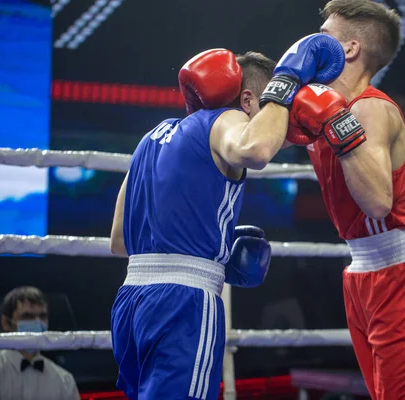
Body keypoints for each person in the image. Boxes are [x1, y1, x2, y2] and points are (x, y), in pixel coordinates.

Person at [108, 35, 345, 399]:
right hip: (183, 305)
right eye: (272, 108)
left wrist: (211, 253)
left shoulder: (152, 137)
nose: (281, 122)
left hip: (131, 301)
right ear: (250, 100)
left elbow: (119, 242)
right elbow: (255, 148)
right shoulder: (228, 118)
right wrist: (286, 82)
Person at [283, 0, 405, 398]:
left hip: (399, 275)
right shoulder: (322, 107)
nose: (311, 46)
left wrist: (336, 121)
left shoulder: (368, 108)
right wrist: (279, 83)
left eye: (323, 38)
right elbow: (254, 151)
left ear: (349, 49)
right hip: (363, 275)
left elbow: (378, 203)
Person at [0, 286, 79, 400]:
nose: (37, 323)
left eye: (42, 316)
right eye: (27, 316)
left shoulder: (64, 380)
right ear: (5, 322)